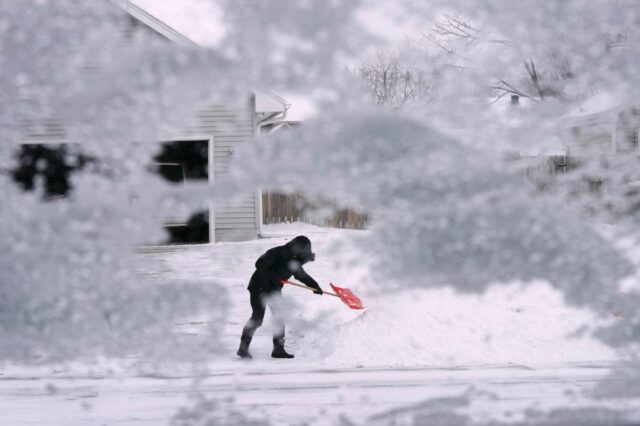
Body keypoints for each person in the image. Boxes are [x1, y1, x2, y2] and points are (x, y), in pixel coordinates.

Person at [237, 235, 323, 359]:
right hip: (259, 286)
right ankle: (243, 348)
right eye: (303, 249)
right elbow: (259, 263)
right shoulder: (277, 252)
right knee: (257, 318)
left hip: (273, 290)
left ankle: (278, 350)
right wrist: (274, 275)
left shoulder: (294, 261)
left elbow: (302, 276)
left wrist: (315, 286)